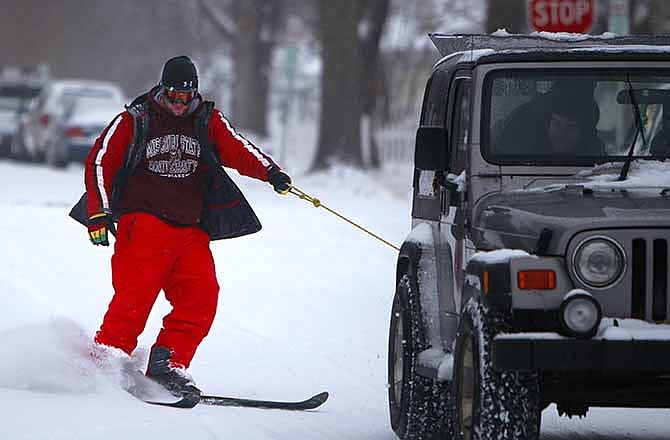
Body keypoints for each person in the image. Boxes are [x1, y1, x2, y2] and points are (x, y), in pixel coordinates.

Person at [69, 56, 292, 399]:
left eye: (185, 97)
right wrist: (99, 213)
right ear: (163, 89)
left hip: (190, 229)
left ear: (195, 93)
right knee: (134, 299)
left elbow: (238, 148)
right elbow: (101, 159)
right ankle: (106, 363)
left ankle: (168, 363)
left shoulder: (207, 119)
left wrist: (271, 172)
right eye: (173, 96)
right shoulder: (136, 118)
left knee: (201, 299)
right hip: (142, 223)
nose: (179, 104)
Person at [497, 80, 603, 158]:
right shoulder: (520, 150)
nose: (562, 134)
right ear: (547, 125)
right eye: (556, 124)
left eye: (571, 127)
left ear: (584, 132)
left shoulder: (597, 162)